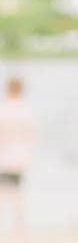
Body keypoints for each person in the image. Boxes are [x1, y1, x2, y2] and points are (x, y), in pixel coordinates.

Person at [0, 76, 37, 234]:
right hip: (19, 157)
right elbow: (32, 136)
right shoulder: (26, 110)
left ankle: (14, 225)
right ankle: (19, 225)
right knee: (17, 191)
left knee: (3, 190)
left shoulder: (3, 109)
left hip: (4, 156)